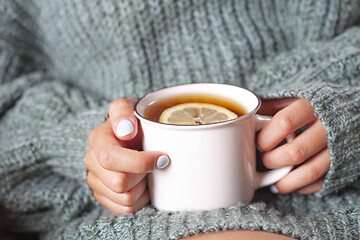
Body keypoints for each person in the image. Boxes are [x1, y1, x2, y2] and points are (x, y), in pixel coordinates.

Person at [0, 0, 359, 239]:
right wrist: (88, 145)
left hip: (332, 197)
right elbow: (8, 99)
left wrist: (348, 111)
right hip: (115, 215)